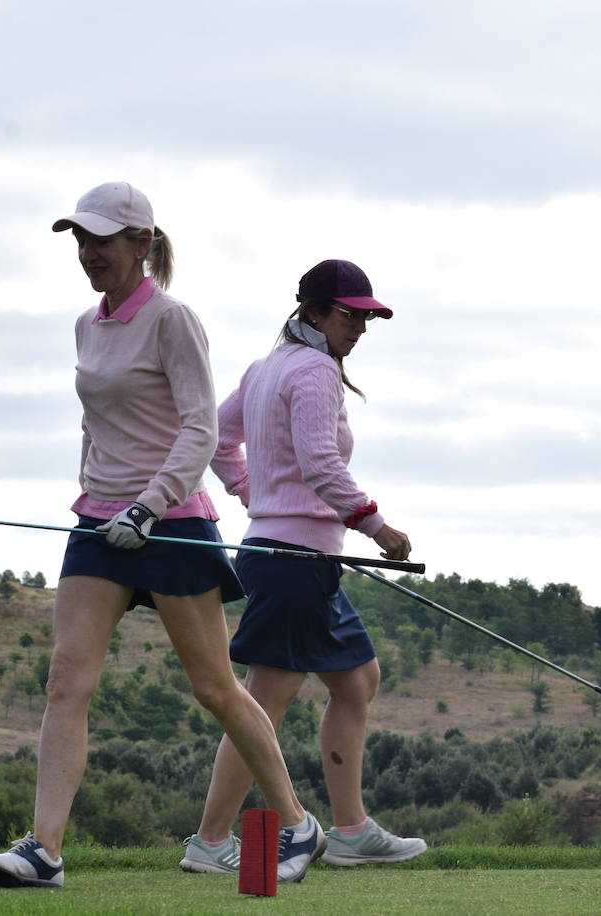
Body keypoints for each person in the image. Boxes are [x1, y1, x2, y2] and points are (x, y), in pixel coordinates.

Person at [0, 183, 325, 888]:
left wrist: (151, 504)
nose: (87, 252)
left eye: (101, 240)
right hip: (98, 518)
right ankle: (44, 851)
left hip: (172, 521)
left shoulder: (173, 320)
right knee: (66, 680)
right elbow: (95, 423)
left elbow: (199, 425)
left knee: (214, 686)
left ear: (143, 244)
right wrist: (102, 500)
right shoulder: (86, 325)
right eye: (79, 239)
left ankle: (296, 824)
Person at [180, 258, 427, 876]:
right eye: (350, 316)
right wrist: (377, 526)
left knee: (357, 680)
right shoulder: (313, 369)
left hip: (299, 557)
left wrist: (248, 488)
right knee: (263, 705)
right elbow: (319, 463)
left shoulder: (269, 369)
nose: (360, 329)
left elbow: (215, 434)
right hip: (292, 559)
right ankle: (209, 842)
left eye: (367, 319)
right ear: (312, 312)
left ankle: (349, 832)